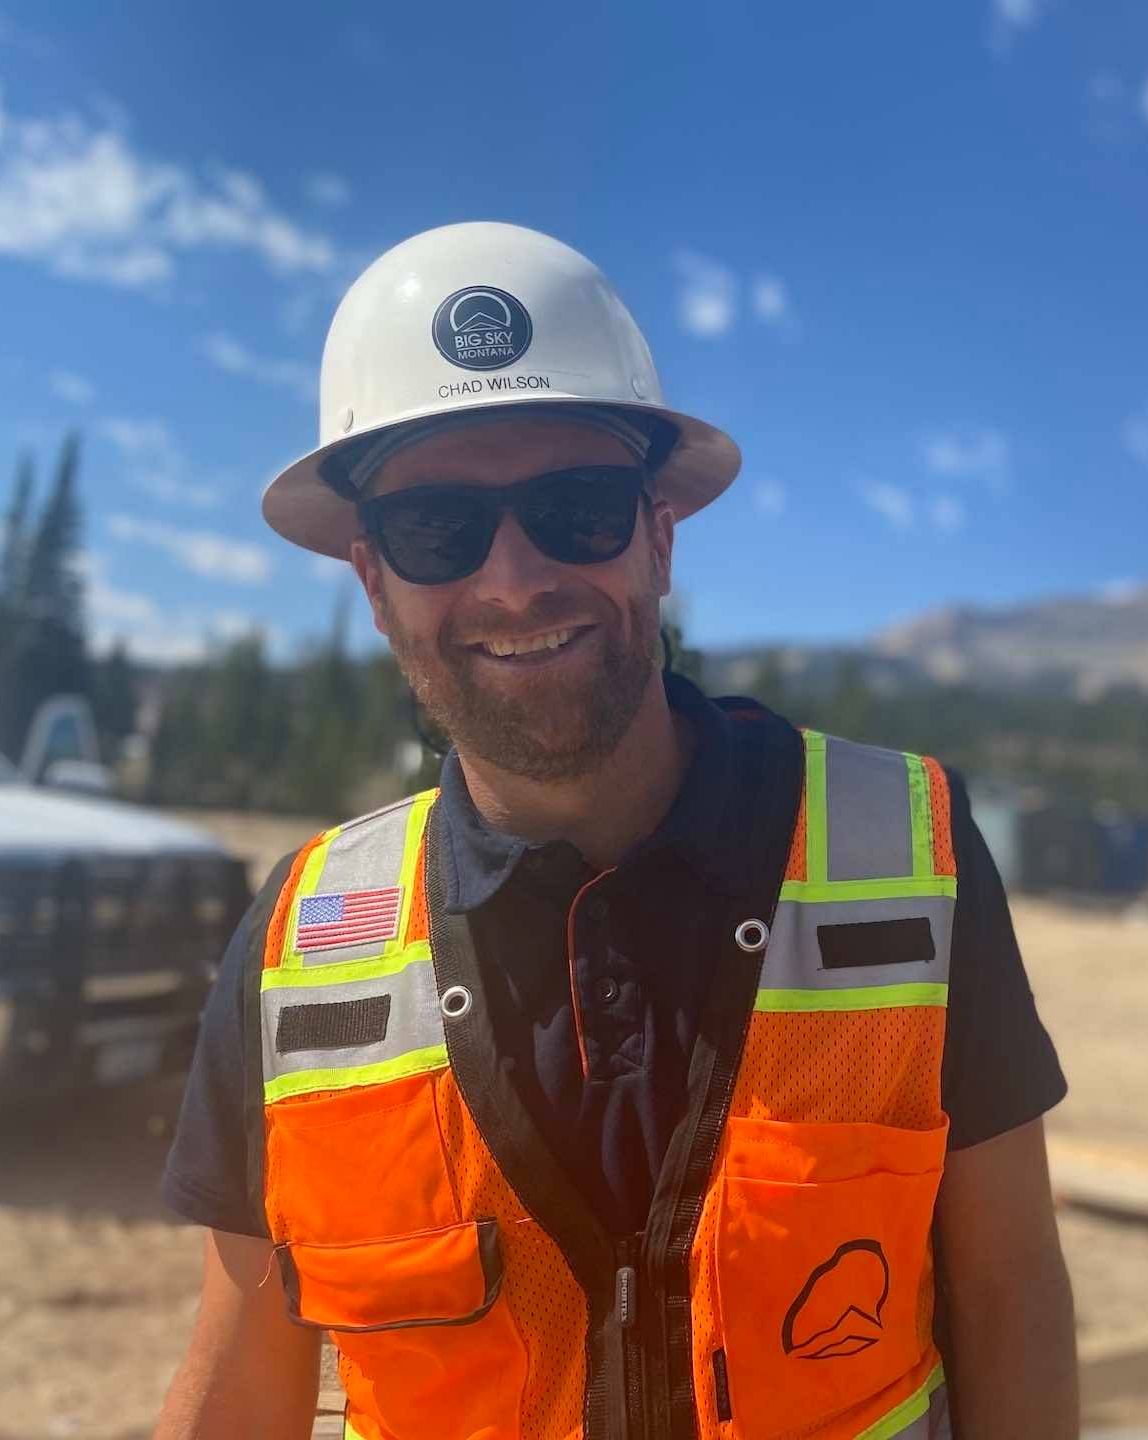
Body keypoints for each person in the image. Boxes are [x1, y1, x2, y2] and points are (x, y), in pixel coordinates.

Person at [153, 222, 1076, 1440]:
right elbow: (239, 1381)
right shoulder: (300, 947)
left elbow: (1009, 1291)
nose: (514, 580)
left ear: (659, 537)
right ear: (375, 583)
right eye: (438, 529)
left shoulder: (912, 859)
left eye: (576, 509)